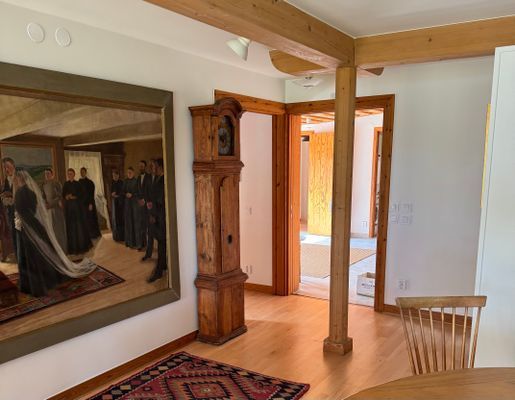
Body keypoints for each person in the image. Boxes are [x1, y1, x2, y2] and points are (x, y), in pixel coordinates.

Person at [14, 170, 96, 297]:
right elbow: (34, 207)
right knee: (42, 246)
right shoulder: (32, 191)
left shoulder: (21, 192)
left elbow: (57, 197)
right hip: (34, 221)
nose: (17, 181)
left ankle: (38, 280)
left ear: (21, 179)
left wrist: (22, 218)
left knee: (38, 247)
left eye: (18, 179)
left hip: (36, 220)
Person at [63, 168, 92, 255]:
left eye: (71, 174)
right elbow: (63, 194)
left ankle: (81, 247)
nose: (69, 175)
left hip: (77, 209)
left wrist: (74, 197)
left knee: (79, 227)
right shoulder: (65, 184)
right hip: (69, 209)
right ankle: (73, 248)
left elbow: (83, 195)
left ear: (74, 174)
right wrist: (66, 197)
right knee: (71, 228)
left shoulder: (78, 184)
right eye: (68, 174)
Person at [147, 158, 166, 283]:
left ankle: (159, 271)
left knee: (162, 243)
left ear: (159, 167)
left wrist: (153, 214)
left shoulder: (163, 180)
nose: (152, 168)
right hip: (157, 215)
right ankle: (163, 265)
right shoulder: (158, 179)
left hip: (160, 217)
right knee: (161, 242)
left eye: (154, 166)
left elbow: (160, 201)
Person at [42, 168, 67, 252]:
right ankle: (55, 250)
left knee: (59, 230)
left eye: (48, 173)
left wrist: (51, 204)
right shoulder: (44, 184)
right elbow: (43, 196)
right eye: (45, 174)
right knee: (51, 230)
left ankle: (62, 249)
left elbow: (60, 196)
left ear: (52, 174)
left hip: (57, 209)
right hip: (48, 211)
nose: (47, 175)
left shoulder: (56, 183)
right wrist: (45, 203)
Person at [123, 167, 143, 250]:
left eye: (130, 172)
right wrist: (126, 194)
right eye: (128, 172)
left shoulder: (137, 181)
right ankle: (130, 242)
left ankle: (138, 244)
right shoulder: (125, 181)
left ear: (133, 173)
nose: (129, 174)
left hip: (135, 204)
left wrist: (132, 195)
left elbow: (139, 192)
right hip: (128, 204)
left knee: (136, 223)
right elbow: (122, 191)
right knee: (129, 223)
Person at [1, 157, 17, 258]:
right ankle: (17, 252)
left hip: (20, 210)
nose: (6, 169)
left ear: (13, 165)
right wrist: (4, 195)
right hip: (10, 211)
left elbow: (23, 193)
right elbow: (5, 193)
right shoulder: (6, 180)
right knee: (13, 232)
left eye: (8, 166)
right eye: (4, 167)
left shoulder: (19, 177)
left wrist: (10, 194)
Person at [79, 167, 101, 239]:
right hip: (82, 204)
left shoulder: (90, 182)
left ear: (85, 172)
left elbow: (91, 194)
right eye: (81, 172)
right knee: (84, 220)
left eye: (83, 172)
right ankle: (86, 235)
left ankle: (93, 235)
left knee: (90, 219)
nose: (82, 173)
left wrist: (91, 204)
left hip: (89, 203)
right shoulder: (79, 182)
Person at [142, 159, 156, 261]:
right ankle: (148, 253)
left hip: (159, 209)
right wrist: (147, 202)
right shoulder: (147, 177)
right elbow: (144, 191)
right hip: (149, 209)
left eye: (152, 166)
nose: (151, 168)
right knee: (150, 232)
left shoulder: (160, 177)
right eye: (150, 166)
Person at [137, 160, 151, 251]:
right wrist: (139, 200)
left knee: (148, 226)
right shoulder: (138, 178)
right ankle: (142, 244)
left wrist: (144, 200)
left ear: (145, 167)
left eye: (142, 166)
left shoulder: (149, 177)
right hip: (140, 206)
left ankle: (149, 246)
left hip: (148, 205)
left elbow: (150, 191)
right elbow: (137, 190)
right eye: (139, 166)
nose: (140, 168)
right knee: (141, 225)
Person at [110, 169, 125, 242]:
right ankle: (116, 237)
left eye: (115, 175)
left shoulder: (122, 182)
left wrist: (118, 195)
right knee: (115, 219)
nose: (114, 177)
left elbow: (123, 192)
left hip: (120, 203)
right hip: (114, 203)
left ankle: (122, 237)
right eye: (113, 176)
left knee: (120, 219)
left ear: (118, 175)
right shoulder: (112, 182)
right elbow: (111, 192)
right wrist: (112, 194)